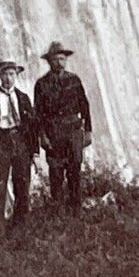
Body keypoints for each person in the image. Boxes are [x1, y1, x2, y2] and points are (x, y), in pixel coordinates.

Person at [0, 59, 37, 231]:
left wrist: (33, 152)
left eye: (12, 74)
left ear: (16, 75)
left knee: (22, 185)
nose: (8, 78)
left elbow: (32, 126)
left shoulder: (23, 98)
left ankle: (21, 228)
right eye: (5, 74)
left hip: (20, 143)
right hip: (0, 144)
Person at [34, 40, 93, 209]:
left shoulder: (74, 80)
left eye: (62, 59)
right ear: (49, 61)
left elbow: (84, 105)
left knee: (74, 170)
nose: (59, 63)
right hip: (54, 132)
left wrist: (88, 131)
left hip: (73, 131)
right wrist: (42, 136)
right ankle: (58, 212)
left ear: (65, 60)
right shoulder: (41, 84)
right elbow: (38, 114)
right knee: (56, 173)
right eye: (55, 60)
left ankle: (76, 209)